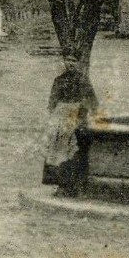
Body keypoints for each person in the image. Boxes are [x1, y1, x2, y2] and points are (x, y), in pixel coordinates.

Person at [42, 56, 99, 197]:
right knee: (58, 151)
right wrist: (54, 119)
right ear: (64, 62)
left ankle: (77, 185)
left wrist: (87, 116)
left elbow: (93, 102)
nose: (71, 63)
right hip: (61, 118)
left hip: (78, 117)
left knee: (74, 151)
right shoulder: (59, 80)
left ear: (78, 63)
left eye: (74, 60)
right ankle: (61, 185)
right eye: (68, 60)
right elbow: (52, 102)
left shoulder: (83, 80)